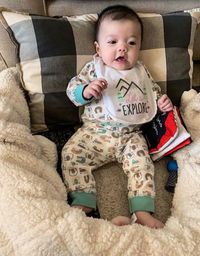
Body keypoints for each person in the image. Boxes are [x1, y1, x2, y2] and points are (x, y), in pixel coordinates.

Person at [62, 5, 173, 229]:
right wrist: (85, 91)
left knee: (142, 164)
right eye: (112, 42)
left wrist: (162, 104)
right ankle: (84, 200)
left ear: (139, 47)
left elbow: (152, 95)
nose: (122, 48)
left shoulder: (141, 72)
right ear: (98, 48)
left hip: (131, 136)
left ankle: (142, 211)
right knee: (71, 154)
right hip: (94, 133)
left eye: (131, 43)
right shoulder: (94, 70)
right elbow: (72, 88)